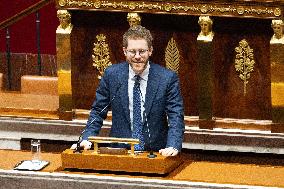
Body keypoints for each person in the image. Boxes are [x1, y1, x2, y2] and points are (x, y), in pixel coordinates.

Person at [72, 25, 185, 156]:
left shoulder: (167, 78)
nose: (137, 56)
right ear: (125, 51)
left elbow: (175, 116)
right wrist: (87, 138)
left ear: (150, 51)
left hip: (156, 153)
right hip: (119, 152)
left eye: (142, 51)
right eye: (132, 51)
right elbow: (98, 111)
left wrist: (173, 145)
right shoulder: (112, 75)